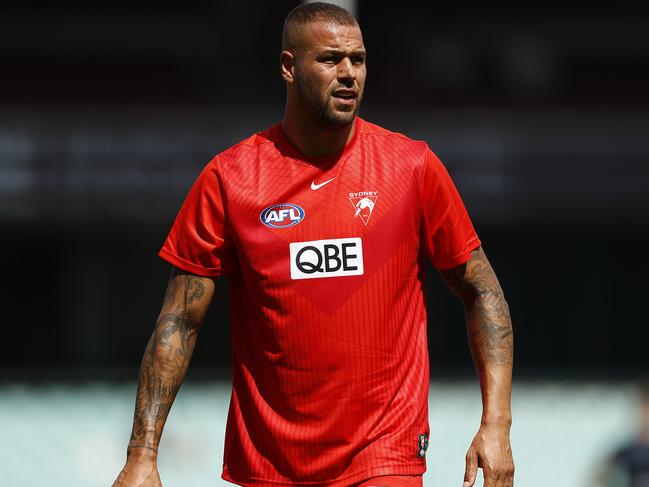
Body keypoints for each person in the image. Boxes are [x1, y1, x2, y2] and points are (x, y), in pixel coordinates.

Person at [112, 3, 515, 486]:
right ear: (289, 67)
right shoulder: (230, 179)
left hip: (383, 454)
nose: (349, 74)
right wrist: (142, 455)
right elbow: (179, 321)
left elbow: (482, 291)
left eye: (358, 60)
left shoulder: (412, 168)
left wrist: (497, 425)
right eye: (330, 59)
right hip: (270, 463)